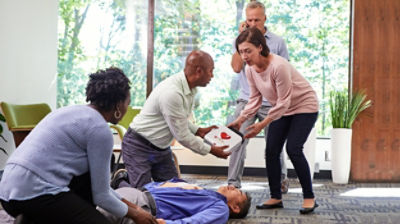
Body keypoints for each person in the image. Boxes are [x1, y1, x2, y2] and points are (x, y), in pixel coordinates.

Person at [0, 67, 157, 224]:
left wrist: (135, 209)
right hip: (35, 194)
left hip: (7, 194)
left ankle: (30, 218)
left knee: (94, 173)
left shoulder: (68, 111)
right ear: (117, 106)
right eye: (127, 103)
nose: (126, 108)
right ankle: (32, 217)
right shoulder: (99, 129)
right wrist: (136, 215)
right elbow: (101, 196)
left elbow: (101, 188)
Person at [229, 27, 319, 214]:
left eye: (248, 51)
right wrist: (240, 119)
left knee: (293, 148)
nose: (244, 56)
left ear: (260, 47)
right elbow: (255, 99)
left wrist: (262, 124)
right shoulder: (250, 69)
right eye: (241, 51)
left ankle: (309, 197)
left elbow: (284, 102)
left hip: (304, 106)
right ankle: (275, 197)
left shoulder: (279, 66)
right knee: (271, 150)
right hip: (282, 108)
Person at [119, 50, 230, 189]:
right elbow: (182, 136)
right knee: (144, 195)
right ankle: (120, 184)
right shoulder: (172, 93)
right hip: (138, 145)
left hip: (161, 148)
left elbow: (177, 119)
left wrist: (199, 131)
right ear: (199, 71)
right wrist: (211, 150)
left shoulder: (190, 88)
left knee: (177, 191)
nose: (212, 76)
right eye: (211, 71)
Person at [228, 1, 290, 193]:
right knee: (237, 139)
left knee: (274, 144)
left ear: (265, 19)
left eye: (257, 19)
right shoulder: (241, 40)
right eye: (249, 20)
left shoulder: (278, 42)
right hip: (247, 99)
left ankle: (280, 180)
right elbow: (237, 68)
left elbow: (284, 73)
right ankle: (233, 183)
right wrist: (241, 38)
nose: (253, 23)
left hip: (270, 102)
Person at [101, 170, 251, 224]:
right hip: (140, 194)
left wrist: (165, 223)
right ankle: (121, 184)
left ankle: (121, 184)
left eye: (237, 192)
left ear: (235, 208)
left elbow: (197, 222)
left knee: (94, 211)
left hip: (143, 207)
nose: (232, 186)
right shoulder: (205, 193)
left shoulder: (221, 207)